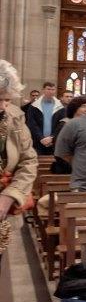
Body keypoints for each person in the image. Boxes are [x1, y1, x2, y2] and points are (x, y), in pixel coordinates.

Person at [0, 60, 38, 226]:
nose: (2, 106)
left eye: (7, 99)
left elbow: (28, 160)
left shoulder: (15, 118)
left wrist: (11, 194)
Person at [51, 96, 86, 174]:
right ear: (75, 108)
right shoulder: (65, 124)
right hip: (68, 167)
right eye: (83, 106)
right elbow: (59, 151)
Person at [24, 82, 60, 155]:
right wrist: (41, 138)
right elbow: (31, 123)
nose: (50, 91)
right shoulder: (34, 106)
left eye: (53, 89)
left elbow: (61, 124)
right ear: (43, 90)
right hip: (37, 141)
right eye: (48, 89)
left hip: (54, 142)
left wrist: (52, 137)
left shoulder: (60, 106)